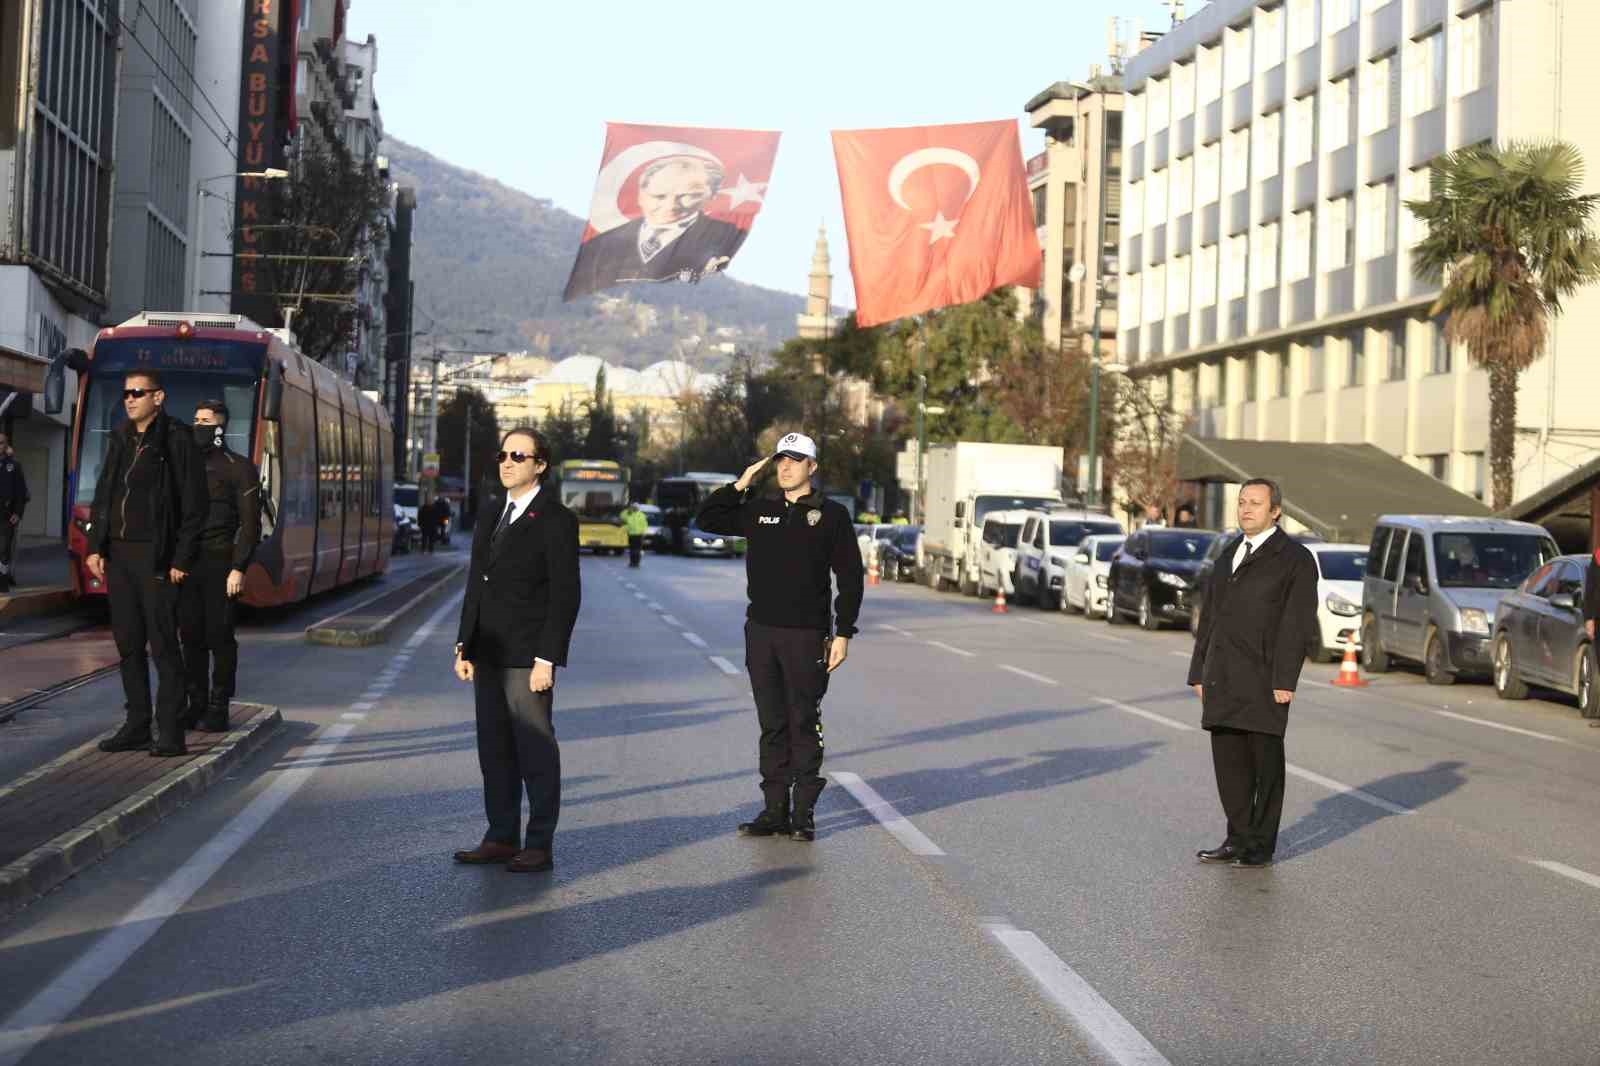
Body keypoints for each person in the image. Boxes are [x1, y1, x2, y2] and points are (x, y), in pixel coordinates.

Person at [696, 430, 864, 843]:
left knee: (802, 721)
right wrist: (740, 485)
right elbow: (708, 519)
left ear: (812, 467)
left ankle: (803, 813)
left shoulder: (831, 515)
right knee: (771, 723)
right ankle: (774, 810)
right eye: (780, 461)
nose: (785, 467)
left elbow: (851, 578)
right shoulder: (761, 509)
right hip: (762, 632)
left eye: (794, 460)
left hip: (807, 636)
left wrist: (842, 632)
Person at [452, 428, 581, 874]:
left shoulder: (556, 518)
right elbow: (476, 584)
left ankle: (539, 843)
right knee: (495, 750)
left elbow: (566, 595)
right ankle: (501, 836)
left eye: (518, 456)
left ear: (540, 465)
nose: (506, 463)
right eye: (503, 454)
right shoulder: (490, 512)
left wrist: (548, 658)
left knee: (535, 750)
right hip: (488, 651)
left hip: (528, 657)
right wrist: (464, 644)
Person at [1186, 478, 1318, 868]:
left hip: (1263, 679)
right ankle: (1237, 837)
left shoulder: (1294, 559)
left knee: (1264, 766)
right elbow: (1209, 617)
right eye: (1242, 502)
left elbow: (1297, 624)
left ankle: (1259, 845)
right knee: (1230, 766)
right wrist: (1198, 671)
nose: (1245, 509)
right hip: (1222, 675)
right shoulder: (1229, 553)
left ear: (1275, 511)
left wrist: (1283, 681)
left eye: (1255, 503)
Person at [85, 370, 208, 757]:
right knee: (128, 644)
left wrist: (181, 558)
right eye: (126, 394)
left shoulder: (177, 439)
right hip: (119, 556)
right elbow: (105, 494)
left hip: (156, 557)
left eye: (138, 392)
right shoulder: (121, 438)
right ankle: (137, 724)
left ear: (159, 397)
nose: (130, 399)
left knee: (164, 646)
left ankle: (170, 732)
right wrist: (94, 547)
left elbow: (195, 506)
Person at [178, 400, 260, 733]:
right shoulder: (182, 465)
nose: (198, 425)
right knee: (191, 638)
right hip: (186, 565)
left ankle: (218, 705)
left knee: (220, 637)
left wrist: (239, 567)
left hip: (221, 563)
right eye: (195, 419)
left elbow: (250, 524)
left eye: (205, 420)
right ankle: (194, 702)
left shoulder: (238, 467)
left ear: (220, 427)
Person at [563, 156, 748, 300]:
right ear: (640, 195)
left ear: (711, 195)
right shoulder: (603, 244)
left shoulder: (727, 236)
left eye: (688, 196)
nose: (671, 205)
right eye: (659, 196)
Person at [0, 430, 27, 592]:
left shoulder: (14, 466)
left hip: (6, 515)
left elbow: (21, 492)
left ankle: (2, 582)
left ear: (6, 445)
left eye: (1, 443)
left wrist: (17, 513)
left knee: (3, 549)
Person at [621, 501, 648, 568]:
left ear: (638, 508)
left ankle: (637, 563)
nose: (635, 508)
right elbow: (622, 516)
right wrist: (628, 510)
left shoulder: (642, 515)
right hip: (631, 534)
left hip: (639, 535)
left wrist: (644, 533)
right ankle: (632, 562)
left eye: (636, 507)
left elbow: (645, 525)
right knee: (632, 550)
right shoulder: (629, 514)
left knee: (638, 550)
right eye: (634, 507)